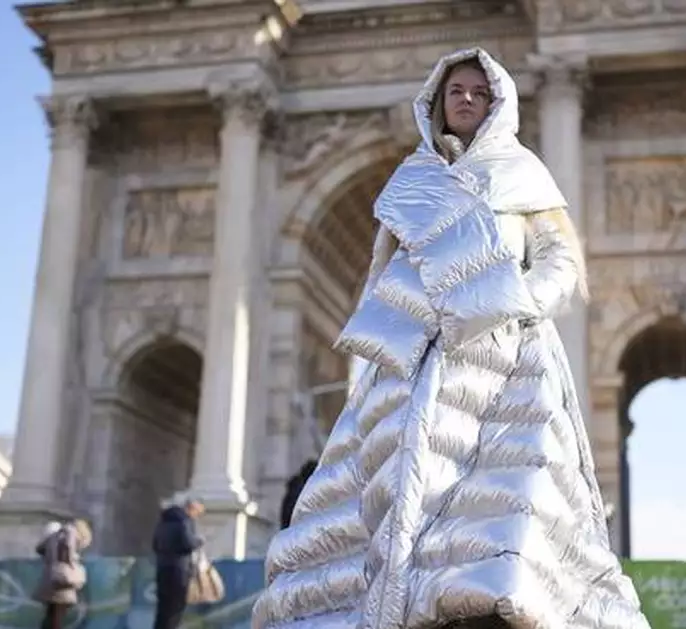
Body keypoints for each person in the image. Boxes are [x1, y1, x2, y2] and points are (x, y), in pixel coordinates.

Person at [252, 48, 652, 629]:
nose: (466, 100)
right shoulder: (410, 179)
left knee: (506, 496)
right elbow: (382, 278)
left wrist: (514, 306)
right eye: (456, 91)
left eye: (478, 92)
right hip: (414, 364)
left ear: (496, 102)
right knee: (396, 491)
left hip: (504, 360)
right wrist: (385, 347)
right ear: (437, 102)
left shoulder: (523, 172)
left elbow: (561, 261)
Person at [150, 492, 205, 629]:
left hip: (162, 569)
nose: (197, 515)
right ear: (192, 507)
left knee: (162, 610)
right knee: (175, 609)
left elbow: (155, 545)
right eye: (198, 512)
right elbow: (187, 543)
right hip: (179, 571)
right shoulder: (184, 521)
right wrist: (199, 541)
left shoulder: (163, 521)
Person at [34, 518, 92, 629]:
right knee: (58, 614)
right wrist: (71, 563)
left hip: (51, 579)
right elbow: (68, 546)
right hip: (62, 580)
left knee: (51, 613)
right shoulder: (70, 531)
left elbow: (39, 548)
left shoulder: (55, 536)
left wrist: (52, 557)